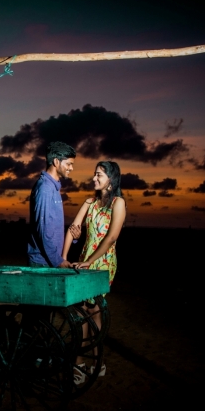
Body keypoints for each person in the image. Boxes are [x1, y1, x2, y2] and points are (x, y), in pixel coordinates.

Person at [62, 161, 126, 384]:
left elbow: (111, 237)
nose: (94, 178)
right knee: (84, 313)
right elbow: (73, 229)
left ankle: (92, 363)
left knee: (92, 311)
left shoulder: (118, 203)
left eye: (99, 175)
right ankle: (86, 365)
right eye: (95, 174)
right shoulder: (89, 202)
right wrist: (63, 257)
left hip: (103, 262)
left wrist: (90, 261)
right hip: (84, 262)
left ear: (111, 178)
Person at [27, 141, 78, 268]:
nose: (71, 168)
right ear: (56, 162)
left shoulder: (53, 187)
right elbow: (43, 230)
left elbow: (52, 226)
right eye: (69, 164)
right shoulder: (45, 188)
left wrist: (75, 236)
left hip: (51, 260)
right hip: (42, 263)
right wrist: (58, 261)